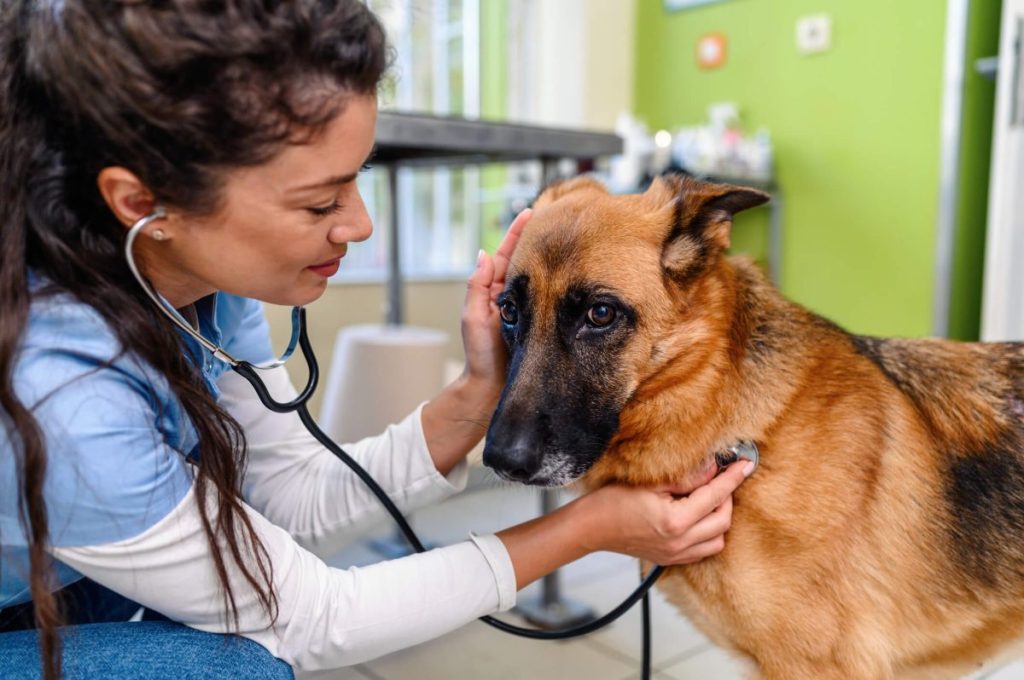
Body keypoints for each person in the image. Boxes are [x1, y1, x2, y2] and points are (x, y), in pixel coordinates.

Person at [0, 1, 753, 678]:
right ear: (142, 203)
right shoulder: (59, 391)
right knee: (234, 666)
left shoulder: (203, 284)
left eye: (357, 179)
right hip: (26, 597)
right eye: (321, 200)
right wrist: (589, 527)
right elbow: (312, 618)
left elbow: (284, 498)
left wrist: (475, 396)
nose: (360, 225)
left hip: (64, 570)